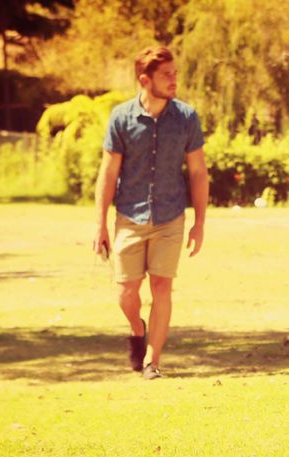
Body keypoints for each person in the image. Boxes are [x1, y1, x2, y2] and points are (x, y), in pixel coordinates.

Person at [92, 46, 208, 380]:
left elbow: (198, 172)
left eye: (175, 73)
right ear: (145, 80)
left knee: (162, 288)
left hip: (171, 216)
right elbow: (108, 173)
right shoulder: (121, 118)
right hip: (129, 215)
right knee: (126, 293)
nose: (174, 80)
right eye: (166, 75)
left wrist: (199, 223)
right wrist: (100, 223)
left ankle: (151, 362)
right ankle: (136, 329)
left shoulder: (186, 118)